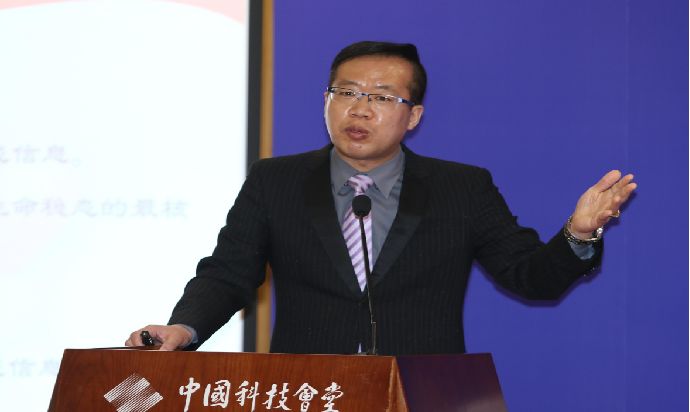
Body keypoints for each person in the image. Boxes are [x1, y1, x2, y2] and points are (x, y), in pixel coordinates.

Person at [126, 41, 636, 355]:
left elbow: (530, 276)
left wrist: (579, 233)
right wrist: (184, 328)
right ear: (326, 101)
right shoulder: (274, 180)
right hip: (311, 394)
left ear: (413, 116)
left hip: (422, 396)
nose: (360, 109)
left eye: (382, 97)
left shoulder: (462, 188)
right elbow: (227, 274)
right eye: (346, 93)